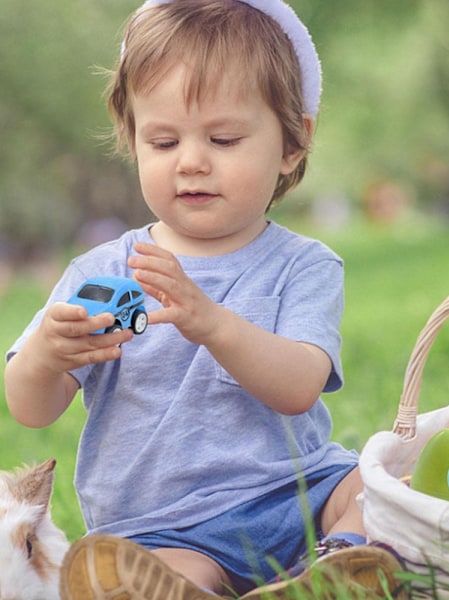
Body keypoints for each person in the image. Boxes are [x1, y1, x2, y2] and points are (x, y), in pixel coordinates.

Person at [4, 1, 404, 598]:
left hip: (298, 493)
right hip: (164, 524)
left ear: (294, 143)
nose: (191, 161)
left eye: (223, 137)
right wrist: (45, 356)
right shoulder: (105, 270)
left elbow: (298, 388)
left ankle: (334, 560)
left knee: (384, 483)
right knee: (158, 579)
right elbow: (31, 408)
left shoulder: (304, 265)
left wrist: (214, 324)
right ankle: (214, 587)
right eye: (163, 141)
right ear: (133, 141)